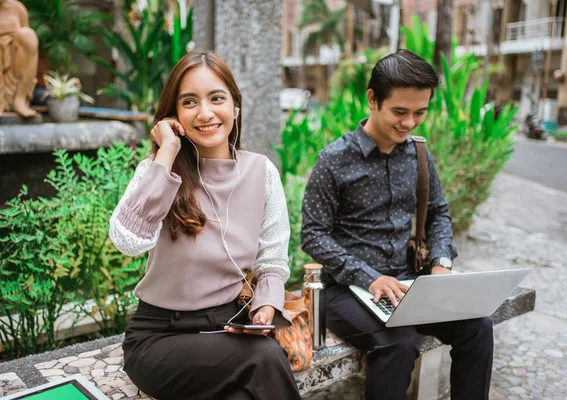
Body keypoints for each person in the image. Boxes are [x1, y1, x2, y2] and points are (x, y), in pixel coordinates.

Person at [301, 50, 493, 400]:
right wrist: (370, 277)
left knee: (477, 326)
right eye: (400, 112)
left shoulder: (418, 153)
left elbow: (437, 212)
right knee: (399, 343)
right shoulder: (334, 160)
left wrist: (440, 264)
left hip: (407, 284)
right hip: (345, 291)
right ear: (373, 99)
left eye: (420, 112)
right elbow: (313, 234)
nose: (409, 123)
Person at [109, 52, 302, 400]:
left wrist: (266, 305)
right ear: (174, 115)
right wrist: (166, 153)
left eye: (217, 98)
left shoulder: (262, 172)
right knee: (265, 359)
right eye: (189, 102)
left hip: (232, 330)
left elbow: (271, 258)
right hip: (160, 338)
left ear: (235, 107)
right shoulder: (156, 171)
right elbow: (128, 241)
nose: (205, 113)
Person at [0, 0, 38, 118]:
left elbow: (29, 43)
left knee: (27, 35)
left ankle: (20, 99)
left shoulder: (17, 8)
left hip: (14, 57)